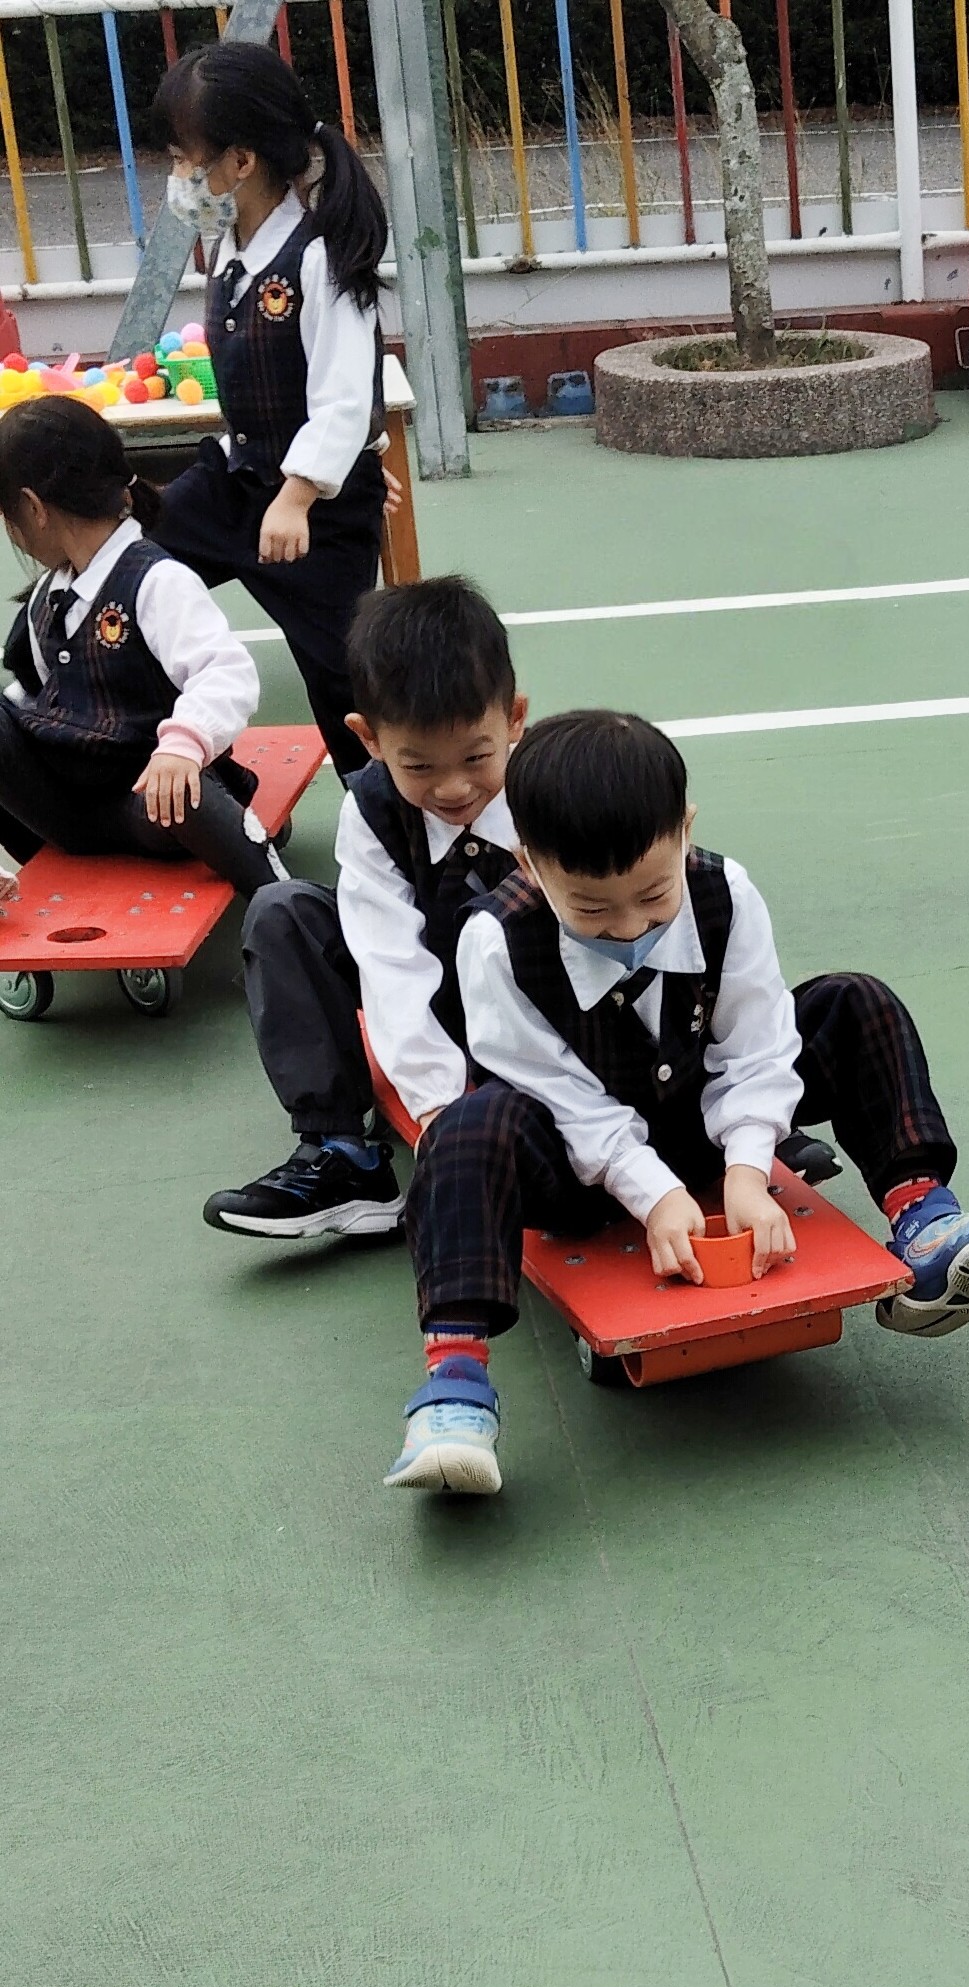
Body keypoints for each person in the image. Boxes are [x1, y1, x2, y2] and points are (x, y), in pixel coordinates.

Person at [390, 709, 969, 1496]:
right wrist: (655, 1195)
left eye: (653, 894)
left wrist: (747, 1168)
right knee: (468, 1125)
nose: (628, 926)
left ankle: (925, 1230)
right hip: (577, 1168)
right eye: (592, 910)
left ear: (685, 828)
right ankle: (456, 1387)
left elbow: (759, 1043)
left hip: (701, 1123)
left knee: (853, 1004)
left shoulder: (725, 893)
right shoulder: (495, 942)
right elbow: (560, 1097)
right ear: (529, 864)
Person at [203, 576, 526, 1240]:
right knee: (282, 911)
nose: (454, 787)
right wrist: (438, 1113)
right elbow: (389, 963)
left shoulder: (549, 789)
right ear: (370, 737)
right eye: (420, 766)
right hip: (432, 989)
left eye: (476, 756)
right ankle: (342, 1154)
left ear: (514, 719)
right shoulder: (373, 812)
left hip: (540, 1005)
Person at [151, 40, 391, 783]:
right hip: (238, 484)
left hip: (308, 515)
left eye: (184, 160)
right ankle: (192, 768)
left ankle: (394, 809)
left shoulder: (320, 257)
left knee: (345, 680)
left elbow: (345, 394)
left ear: (240, 161)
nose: (177, 179)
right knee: (127, 572)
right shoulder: (232, 247)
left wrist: (310, 488)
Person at [0, 395, 286, 899]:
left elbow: (226, 674)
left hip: (147, 806)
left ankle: (278, 891)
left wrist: (182, 746)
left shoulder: (156, 581)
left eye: (8, 516)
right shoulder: (49, 594)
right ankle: (26, 878)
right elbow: (34, 696)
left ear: (34, 508)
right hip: (72, 810)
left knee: (186, 795)